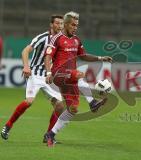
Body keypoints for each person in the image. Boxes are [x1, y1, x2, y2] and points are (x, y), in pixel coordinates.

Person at [44, 11, 112, 147]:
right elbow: (48, 56)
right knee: (80, 74)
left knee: (73, 109)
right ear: (67, 24)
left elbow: (83, 55)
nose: (75, 27)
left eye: (77, 25)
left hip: (70, 78)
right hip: (59, 73)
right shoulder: (57, 38)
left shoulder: (76, 40)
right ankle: (92, 102)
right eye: (73, 25)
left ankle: (51, 134)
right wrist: (48, 73)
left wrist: (100, 58)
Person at [1, 15, 65, 142]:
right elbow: (25, 51)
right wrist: (26, 66)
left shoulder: (62, 41)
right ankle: (8, 126)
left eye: (61, 24)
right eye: (57, 23)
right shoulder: (42, 38)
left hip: (48, 77)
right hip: (35, 74)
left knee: (59, 106)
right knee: (29, 101)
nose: (59, 26)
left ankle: (48, 136)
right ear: (51, 25)